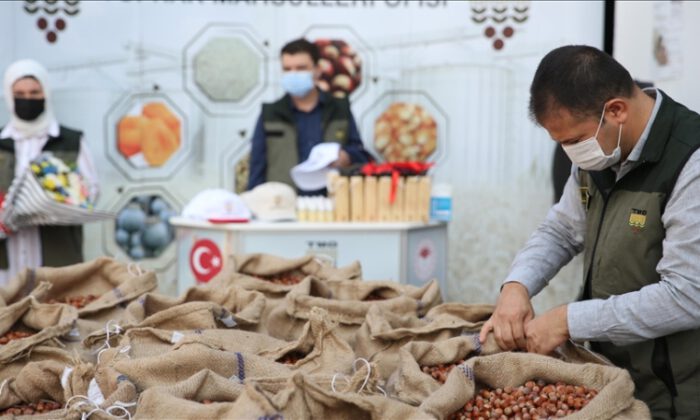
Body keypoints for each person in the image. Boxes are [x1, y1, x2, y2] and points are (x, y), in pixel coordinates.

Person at [478, 45, 700, 419]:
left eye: (573, 141)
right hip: (616, 375)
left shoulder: (690, 162)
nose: (571, 155)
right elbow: (562, 230)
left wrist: (568, 320)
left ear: (616, 111)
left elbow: (687, 295)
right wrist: (516, 286)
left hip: (681, 388)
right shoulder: (602, 150)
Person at [0, 59, 99, 286]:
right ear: (9, 95)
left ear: (45, 93)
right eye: (20, 93)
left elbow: (92, 191)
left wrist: (58, 202)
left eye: (35, 92)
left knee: (55, 311)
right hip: (8, 259)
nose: (28, 98)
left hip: (57, 255)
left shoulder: (70, 141)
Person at [247, 38, 369, 195]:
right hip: (283, 206)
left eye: (301, 68)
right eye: (287, 69)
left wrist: (346, 156)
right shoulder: (270, 114)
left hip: (331, 205)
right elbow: (257, 165)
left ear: (317, 70)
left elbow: (360, 155)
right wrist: (254, 202)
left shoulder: (340, 109)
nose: (293, 74)